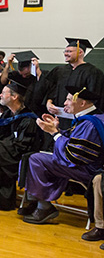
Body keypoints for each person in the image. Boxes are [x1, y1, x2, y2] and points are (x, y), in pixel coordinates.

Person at [21, 86, 104, 224]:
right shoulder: (93, 118)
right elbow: (75, 142)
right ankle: (37, 202)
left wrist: (55, 133)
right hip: (89, 167)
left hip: (88, 170)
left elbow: (72, 156)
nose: (65, 103)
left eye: (68, 99)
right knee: (37, 157)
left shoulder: (89, 123)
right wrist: (57, 129)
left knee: (36, 159)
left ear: (82, 103)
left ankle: (44, 207)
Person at [0, 80, 40, 210]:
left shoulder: (28, 119)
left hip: (20, 155)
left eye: (3, 93)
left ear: (14, 96)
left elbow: (23, 146)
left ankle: (0, 201)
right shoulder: (7, 114)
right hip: (6, 150)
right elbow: (0, 134)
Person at [45, 38, 104, 129]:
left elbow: (95, 99)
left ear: (80, 53)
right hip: (59, 120)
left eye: (69, 51)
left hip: (80, 122)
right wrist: (49, 103)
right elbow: (51, 90)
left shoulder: (93, 72)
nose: (65, 54)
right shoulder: (60, 71)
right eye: (65, 51)